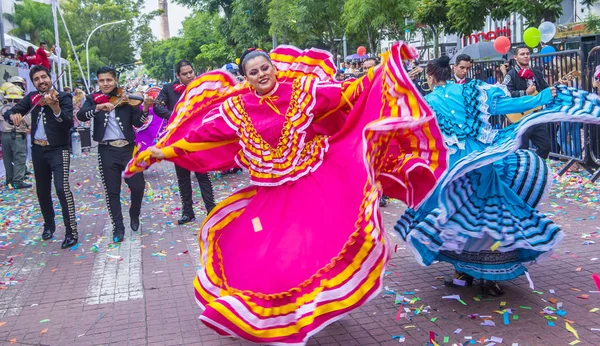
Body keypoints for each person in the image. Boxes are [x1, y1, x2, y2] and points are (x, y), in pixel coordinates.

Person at [125, 43, 448, 345]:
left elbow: (348, 94)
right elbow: (201, 136)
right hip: (272, 194)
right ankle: (268, 311)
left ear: (274, 68)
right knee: (265, 254)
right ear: (246, 78)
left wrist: (385, 68)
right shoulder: (236, 108)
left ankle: (320, 302)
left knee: (323, 243)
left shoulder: (303, 92)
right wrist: (159, 152)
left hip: (314, 182)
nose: (262, 74)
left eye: (265, 67)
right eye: (254, 72)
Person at [395, 55, 600, 296]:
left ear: (430, 77)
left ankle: (464, 274)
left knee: (458, 216)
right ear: (450, 72)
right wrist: (543, 97)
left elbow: (406, 134)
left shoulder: (425, 103)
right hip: (484, 160)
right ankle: (490, 277)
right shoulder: (472, 92)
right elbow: (508, 106)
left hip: (454, 169)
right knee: (492, 212)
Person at [3, 65, 78, 249]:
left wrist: (55, 107)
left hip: (58, 150)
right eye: (36, 79)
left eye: (43, 77)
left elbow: (68, 123)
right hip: (38, 150)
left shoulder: (63, 97)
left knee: (62, 188)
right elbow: (9, 112)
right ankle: (49, 225)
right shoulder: (32, 98)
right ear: (33, 82)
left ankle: (71, 231)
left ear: (50, 78)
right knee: (42, 191)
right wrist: (13, 116)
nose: (41, 81)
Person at [77, 66, 153, 242]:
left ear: (115, 81)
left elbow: (138, 122)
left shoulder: (126, 97)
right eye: (102, 80)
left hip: (128, 149)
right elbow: (81, 116)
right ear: (98, 82)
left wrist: (144, 109)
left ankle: (134, 213)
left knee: (138, 186)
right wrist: (98, 107)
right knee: (112, 191)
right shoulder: (93, 99)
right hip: (107, 150)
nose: (105, 84)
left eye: (109, 80)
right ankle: (118, 227)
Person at [153, 60, 216, 224]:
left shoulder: (201, 86)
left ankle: (212, 210)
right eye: (185, 74)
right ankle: (188, 212)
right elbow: (157, 107)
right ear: (178, 75)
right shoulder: (168, 89)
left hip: (198, 138)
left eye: (190, 72)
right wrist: (175, 118)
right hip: (178, 140)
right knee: (183, 177)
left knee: (203, 175)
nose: (189, 76)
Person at [503, 45, 551, 158]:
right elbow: (506, 94)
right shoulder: (511, 75)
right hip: (520, 117)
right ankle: (523, 171)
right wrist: (525, 92)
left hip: (536, 115)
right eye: (522, 54)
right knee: (522, 149)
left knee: (545, 146)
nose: (526, 56)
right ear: (515, 57)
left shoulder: (537, 73)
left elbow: (545, 89)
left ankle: (535, 167)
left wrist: (556, 87)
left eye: (527, 54)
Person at [0, 83, 31, 188]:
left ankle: (9, 180)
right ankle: (18, 181)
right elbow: (28, 122)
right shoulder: (20, 109)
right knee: (19, 158)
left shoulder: (2, 108)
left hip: (4, 136)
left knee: (7, 159)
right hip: (17, 135)